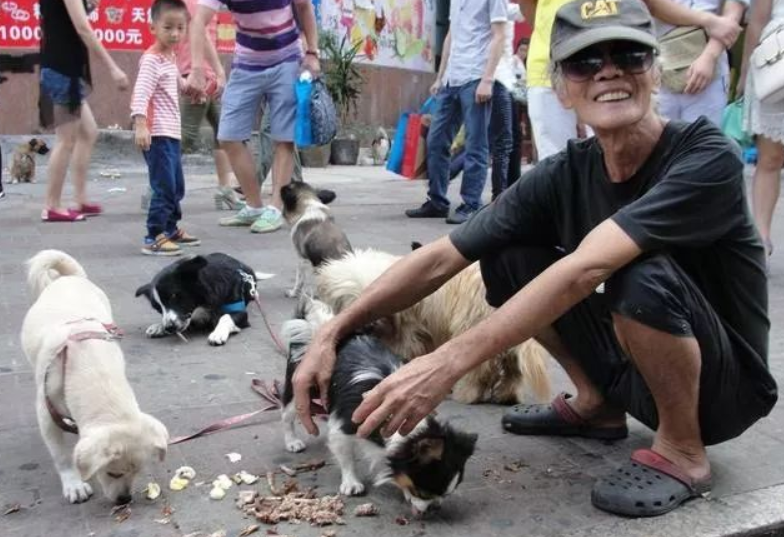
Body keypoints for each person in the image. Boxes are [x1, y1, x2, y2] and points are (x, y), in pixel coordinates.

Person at [292, 0, 777, 518]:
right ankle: (596, 405)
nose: (608, 70)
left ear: (655, 72)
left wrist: (445, 361)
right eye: (585, 62)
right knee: (508, 257)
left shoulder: (706, 156)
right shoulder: (565, 173)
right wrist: (332, 333)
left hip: (723, 392)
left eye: (629, 55)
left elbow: (587, 268)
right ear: (562, 88)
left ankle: (683, 450)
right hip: (638, 370)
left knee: (637, 273)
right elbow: (439, 259)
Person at [519, 0, 743, 159]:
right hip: (555, 62)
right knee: (558, 161)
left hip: (622, 49)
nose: (605, 72)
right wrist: (562, 42)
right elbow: (528, 6)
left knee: (622, 154)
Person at [186, 0, 320, 234]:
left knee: (284, 137)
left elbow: (304, 6)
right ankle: (255, 206)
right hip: (246, 64)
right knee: (228, 135)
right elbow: (198, 21)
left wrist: (312, 53)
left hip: (287, 59)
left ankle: (276, 208)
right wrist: (197, 68)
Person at [404, 0, 508, 225]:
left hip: (475, 77)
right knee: (435, 139)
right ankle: (437, 201)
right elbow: (451, 35)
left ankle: (471, 204)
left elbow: (499, 35)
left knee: (475, 145)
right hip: (452, 79)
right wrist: (440, 77)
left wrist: (487, 79)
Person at [38, 0, 129, 222]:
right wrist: (113, 68)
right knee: (66, 140)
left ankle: (79, 200)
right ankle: (52, 205)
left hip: (64, 68)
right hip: (63, 70)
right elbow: (83, 29)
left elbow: (66, 20)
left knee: (88, 132)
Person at [132, 0, 201, 256]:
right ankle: (153, 235)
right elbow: (141, 92)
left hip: (171, 133)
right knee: (164, 187)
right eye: (168, 27)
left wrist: (192, 90)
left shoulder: (168, 58)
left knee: (177, 185)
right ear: (153, 28)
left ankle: (170, 229)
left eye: (180, 28)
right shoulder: (151, 60)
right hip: (157, 133)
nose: (175, 34)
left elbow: (177, 84)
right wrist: (140, 124)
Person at [177, 0, 240, 211]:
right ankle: (157, 188)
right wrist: (217, 70)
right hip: (197, 75)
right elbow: (200, 32)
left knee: (224, 134)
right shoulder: (194, 3)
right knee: (184, 138)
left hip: (208, 75)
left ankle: (225, 191)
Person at [739, 0, 784, 263]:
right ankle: (760, 238)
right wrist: (746, 72)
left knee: (770, 160)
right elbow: (757, 19)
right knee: (769, 159)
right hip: (776, 57)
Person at [653, 0, 747, 126]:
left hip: (711, 65)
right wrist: (709, 21)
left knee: (705, 141)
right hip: (657, 62)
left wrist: (709, 56)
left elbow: (733, 12)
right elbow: (652, 5)